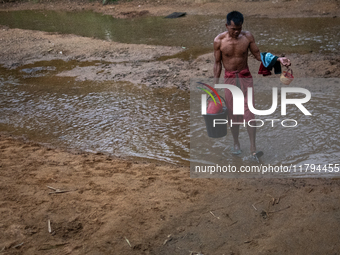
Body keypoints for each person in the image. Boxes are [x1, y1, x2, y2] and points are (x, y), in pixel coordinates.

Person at [213, 11, 291, 158]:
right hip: (229, 79)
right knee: (233, 113)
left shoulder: (247, 37)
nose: (236, 32)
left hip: (245, 77)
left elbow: (258, 55)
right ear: (227, 26)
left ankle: (253, 147)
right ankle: (236, 142)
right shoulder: (219, 41)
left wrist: (278, 59)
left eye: (239, 28)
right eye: (233, 29)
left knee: (250, 112)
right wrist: (214, 87)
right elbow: (217, 64)